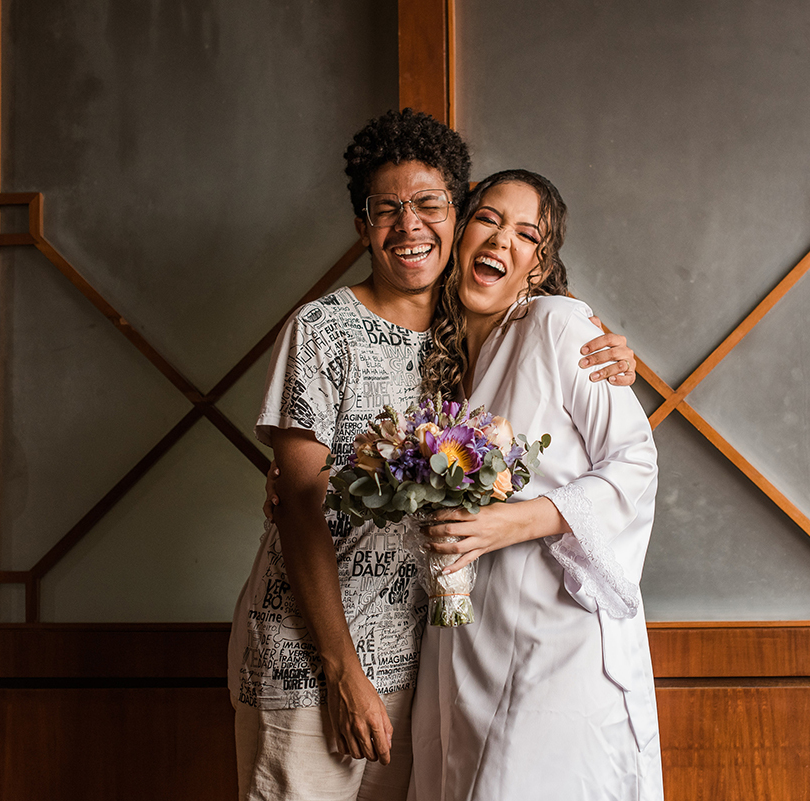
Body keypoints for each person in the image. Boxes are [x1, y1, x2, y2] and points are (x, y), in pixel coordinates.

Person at [227, 111, 638, 801]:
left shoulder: (469, 338)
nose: (409, 226)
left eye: (428, 205)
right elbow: (299, 509)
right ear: (362, 226)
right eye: (387, 209)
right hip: (311, 663)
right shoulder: (322, 329)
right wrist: (341, 672)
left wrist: (622, 359)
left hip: (422, 674)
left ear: (455, 212)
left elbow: (572, 390)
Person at [409, 170, 663, 800]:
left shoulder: (557, 325)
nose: (503, 240)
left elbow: (636, 459)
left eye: (527, 235)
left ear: (538, 267)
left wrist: (513, 522)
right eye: (489, 219)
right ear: (460, 232)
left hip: (558, 641)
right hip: (465, 639)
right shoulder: (441, 366)